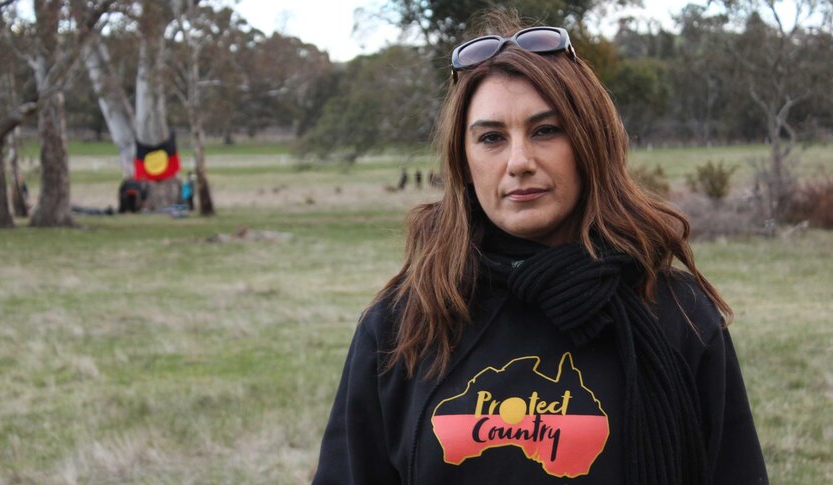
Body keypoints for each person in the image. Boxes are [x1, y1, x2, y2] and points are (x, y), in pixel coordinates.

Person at [313, 12, 768, 485]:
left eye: (546, 130)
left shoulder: (678, 316)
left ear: (590, 143)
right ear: (464, 162)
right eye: (491, 137)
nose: (519, 162)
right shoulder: (405, 323)